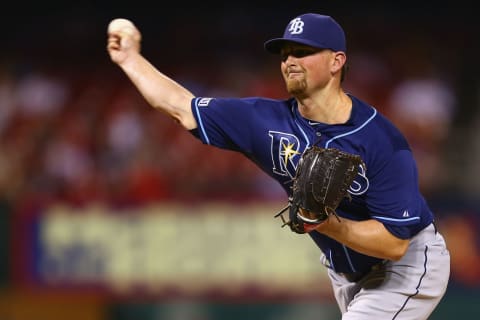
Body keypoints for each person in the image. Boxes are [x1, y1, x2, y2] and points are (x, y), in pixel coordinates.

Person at [107, 13, 450, 319]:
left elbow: (395, 243)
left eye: (303, 52)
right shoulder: (262, 119)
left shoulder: (381, 140)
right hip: (345, 273)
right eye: (285, 54)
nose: (289, 61)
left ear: (336, 61)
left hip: (406, 266)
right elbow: (179, 105)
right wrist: (130, 59)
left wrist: (327, 225)